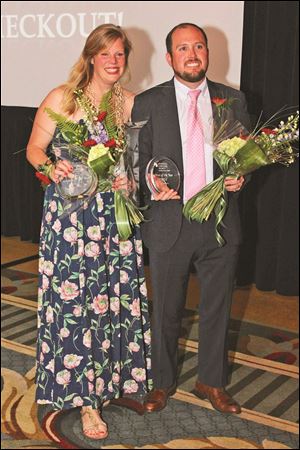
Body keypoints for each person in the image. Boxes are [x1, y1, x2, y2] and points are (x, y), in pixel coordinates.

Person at [27, 24, 152, 440]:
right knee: (76, 305)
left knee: (110, 303)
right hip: (69, 220)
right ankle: (84, 403)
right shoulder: (62, 97)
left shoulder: (131, 104)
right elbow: (34, 150)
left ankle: (110, 381)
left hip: (111, 219)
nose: (113, 61)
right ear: (91, 57)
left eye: (120, 54)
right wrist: (51, 167)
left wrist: (128, 181)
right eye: (106, 53)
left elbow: (134, 165)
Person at [132, 23, 251, 414]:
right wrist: (150, 184)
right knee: (166, 309)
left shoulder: (231, 99)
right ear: (170, 58)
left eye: (198, 46)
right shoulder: (149, 101)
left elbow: (244, 155)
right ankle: (162, 383)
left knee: (218, 307)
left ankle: (211, 382)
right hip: (170, 222)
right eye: (183, 48)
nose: (192, 54)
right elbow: (138, 160)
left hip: (220, 222)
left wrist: (241, 176)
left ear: (207, 53)